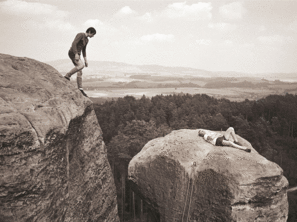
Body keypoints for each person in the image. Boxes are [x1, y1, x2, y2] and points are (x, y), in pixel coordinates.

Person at [64, 27, 96, 97]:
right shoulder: (80, 35)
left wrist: (85, 60)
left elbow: (84, 50)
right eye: (93, 34)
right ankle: (67, 76)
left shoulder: (87, 40)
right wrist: (75, 53)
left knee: (80, 71)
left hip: (78, 54)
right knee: (81, 66)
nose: (93, 36)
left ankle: (80, 88)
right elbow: (74, 43)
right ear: (90, 32)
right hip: (72, 53)